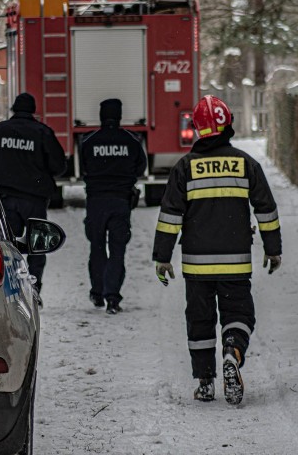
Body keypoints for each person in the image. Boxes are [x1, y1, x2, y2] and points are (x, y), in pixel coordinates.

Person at [152, 95, 282, 405]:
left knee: (200, 319)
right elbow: (266, 209)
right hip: (236, 262)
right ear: (229, 125)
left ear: (197, 129)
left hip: (197, 265)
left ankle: (205, 382)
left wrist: (162, 257)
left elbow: (170, 215)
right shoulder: (246, 164)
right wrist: (272, 249)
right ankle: (232, 351)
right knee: (238, 314)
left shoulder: (185, 167)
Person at [0, 92, 66, 306]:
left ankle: (8, 290)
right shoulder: (43, 132)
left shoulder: (0, 130)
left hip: (6, 198)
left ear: (14, 109)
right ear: (33, 111)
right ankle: (34, 289)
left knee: (8, 245)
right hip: (35, 199)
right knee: (37, 246)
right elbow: (59, 167)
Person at [80, 98, 147, 315]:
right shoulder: (131, 140)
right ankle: (112, 297)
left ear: (101, 115)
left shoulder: (89, 141)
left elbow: (83, 168)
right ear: (119, 115)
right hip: (121, 202)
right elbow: (141, 167)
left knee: (97, 247)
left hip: (96, 202)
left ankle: (97, 292)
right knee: (118, 250)